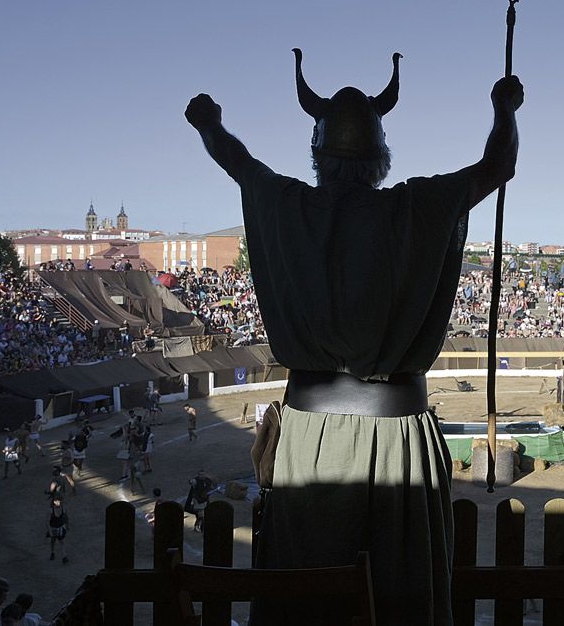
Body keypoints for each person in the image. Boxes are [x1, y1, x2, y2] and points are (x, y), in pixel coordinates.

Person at [187, 47, 521, 625]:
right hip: (400, 434)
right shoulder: (421, 204)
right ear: (381, 158)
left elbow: (235, 159)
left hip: (310, 435)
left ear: (316, 155)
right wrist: (504, 108)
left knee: (302, 593)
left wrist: (209, 124)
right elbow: (498, 166)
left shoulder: (285, 202)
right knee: (404, 593)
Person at [47, 498, 69, 563]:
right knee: (53, 541)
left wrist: (67, 525)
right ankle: (52, 552)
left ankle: (64, 556)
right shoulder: (50, 511)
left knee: (62, 542)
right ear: (54, 502)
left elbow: (66, 517)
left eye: (60, 501)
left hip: (60, 528)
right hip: (53, 528)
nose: (59, 502)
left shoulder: (63, 509)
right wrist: (50, 531)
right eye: (57, 501)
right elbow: (47, 522)